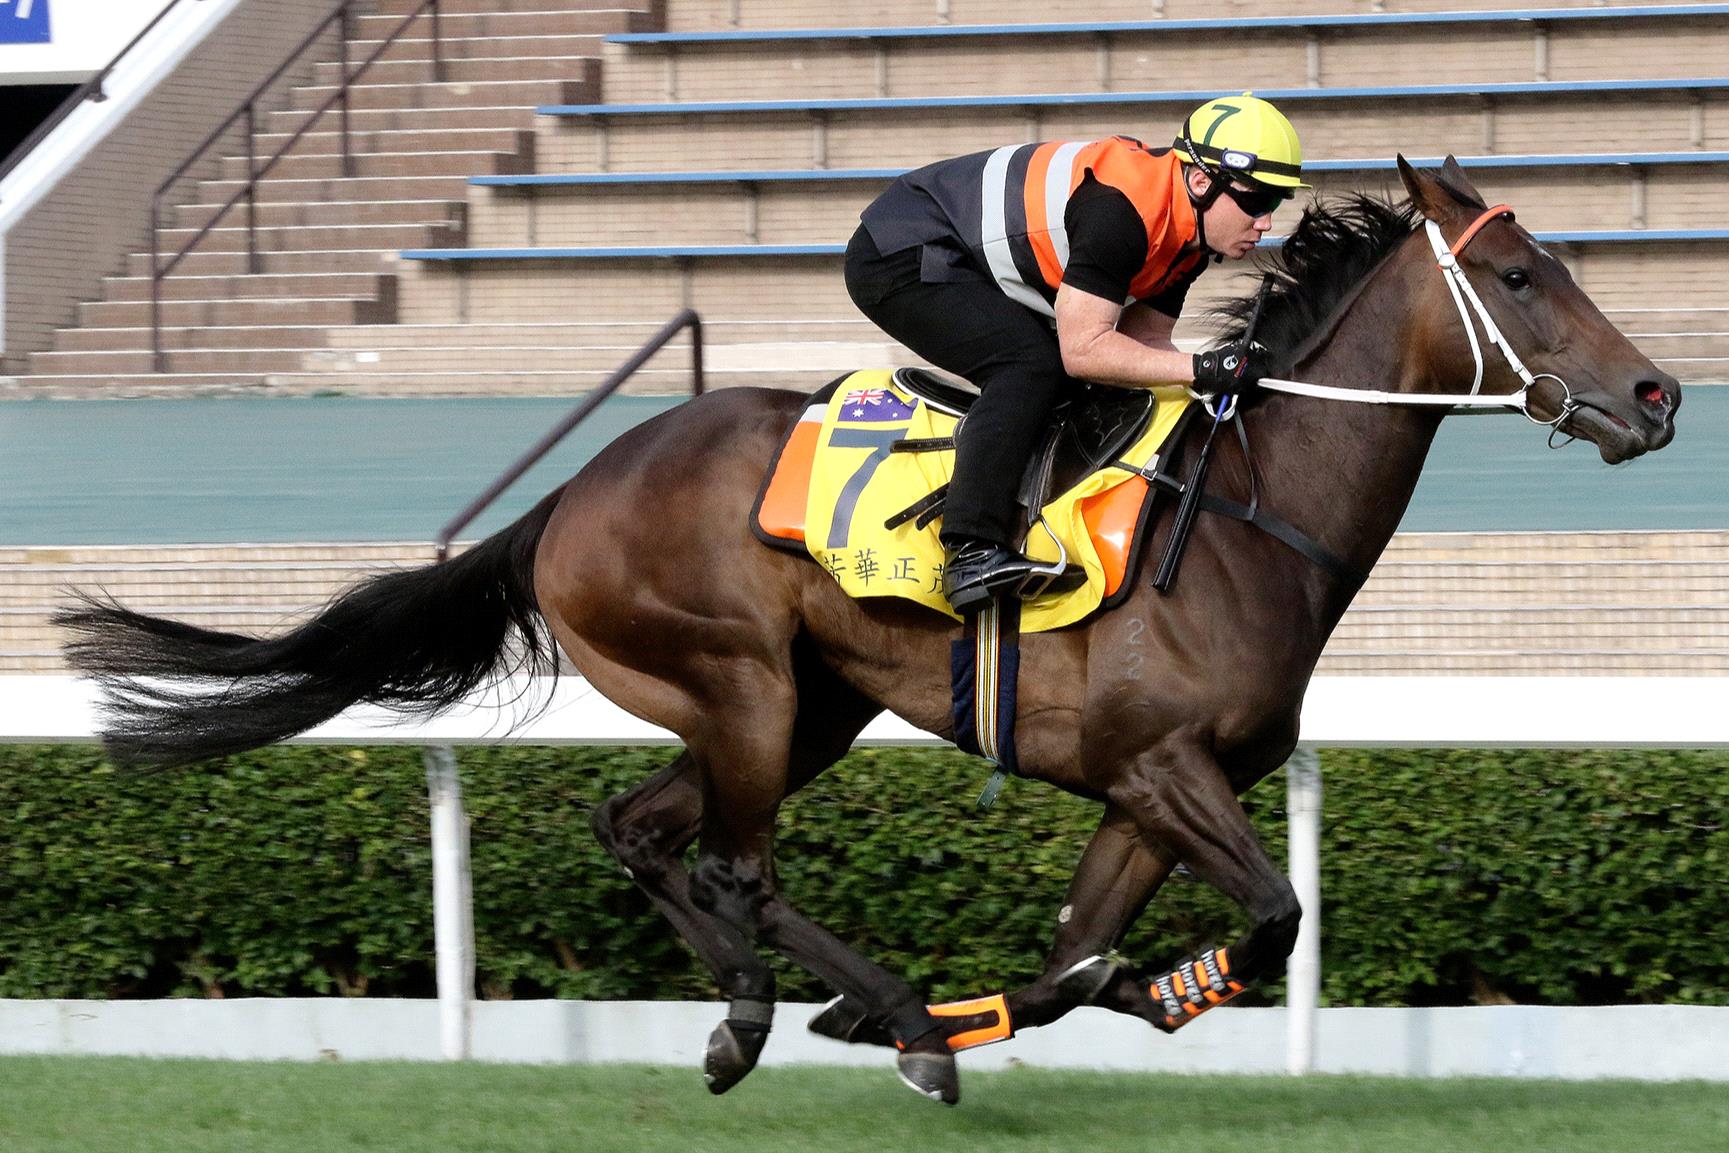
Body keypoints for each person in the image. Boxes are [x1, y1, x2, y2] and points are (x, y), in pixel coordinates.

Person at [844, 92, 1306, 614]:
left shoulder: (1189, 241)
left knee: (1076, 382)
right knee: (1029, 365)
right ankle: (969, 551)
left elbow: (1144, 347)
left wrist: (1216, 378)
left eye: (1275, 205)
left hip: (960, 253)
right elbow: (1084, 350)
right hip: (902, 251)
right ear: (1201, 182)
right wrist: (1204, 367)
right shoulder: (1120, 215)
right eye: (1258, 200)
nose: (1266, 221)